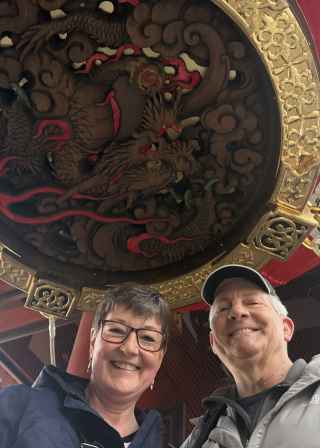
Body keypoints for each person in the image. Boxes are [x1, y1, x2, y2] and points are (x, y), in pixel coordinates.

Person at [0, 285, 171, 448]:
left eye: (148, 338)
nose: (129, 348)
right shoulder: (20, 405)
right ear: (92, 342)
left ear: (160, 359)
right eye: (116, 330)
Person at [181, 264, 320, 448]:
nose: (237, 312)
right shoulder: (201, 437)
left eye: (252, 302)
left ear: (286, 328)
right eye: (223, 308)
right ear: (213, 343)